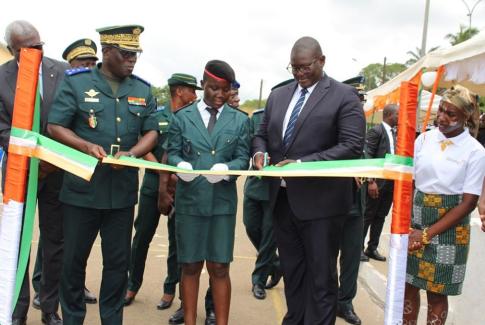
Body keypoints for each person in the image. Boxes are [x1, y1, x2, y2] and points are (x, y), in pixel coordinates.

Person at [47, 25, 158, 324]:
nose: (132, 60)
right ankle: (72, 318)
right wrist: (84, 145)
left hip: (120, 194)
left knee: (117, 264)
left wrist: (133, 154)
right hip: (81, 190)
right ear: (106, 52)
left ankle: (112, 319)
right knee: (73, 263)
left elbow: (152, 131)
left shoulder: (142, 89)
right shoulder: (77, 83)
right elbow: (55, 125)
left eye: (135, 54)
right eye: (125, 54)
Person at [253, 36, 365, 324]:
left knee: (321, 278)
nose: (299, 74)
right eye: (294, 68)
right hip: (283, 202)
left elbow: (351, 145)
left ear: (321, 61)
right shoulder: (278, 96)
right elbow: (261, 135)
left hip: (322, 206)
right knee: (293, 272)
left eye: (305, 68)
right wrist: (260, 154)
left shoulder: (344, 96)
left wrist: (302, 164)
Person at [166, 60, 250, 325]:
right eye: (213, 88)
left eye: (225, 90)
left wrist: (228, 168)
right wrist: (178, 166)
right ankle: (189, 320)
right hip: (190, 202)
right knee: (190, 265)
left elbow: (243, 158)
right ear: (202, 85)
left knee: (219, 267)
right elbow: (173, 152)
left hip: (221, 205)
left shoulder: (239, 121)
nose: (219, 95)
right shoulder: (182, 117)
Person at [0, 20, 69, 325]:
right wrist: (30, 155)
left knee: (55, 243)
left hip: (55, 172)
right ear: (13, 50)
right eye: (28, 48)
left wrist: (50, 159)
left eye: (39, 46)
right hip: (18, 174)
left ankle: (50, 308)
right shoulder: (1, 78)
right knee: (17, 244)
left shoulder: (64, 71)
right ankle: (18, 309)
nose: (36, 52)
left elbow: (70, 119)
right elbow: (2, 127)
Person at [404, 85, 485, 324]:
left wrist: (426, 234)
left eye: (451, 114)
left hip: (451, 227)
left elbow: (469, 202)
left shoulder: (475, 151)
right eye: (441, 110)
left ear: (466, 118)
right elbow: (411, 181)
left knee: (437, 293)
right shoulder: (424, 140)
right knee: (409, 285)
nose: (442, 117)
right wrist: (408, 225)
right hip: (416, 220)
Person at [32, 37, 100, 312]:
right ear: (68, 64)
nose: (87, 68)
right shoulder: (59, 86)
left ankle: (72, 283)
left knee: (69, 235)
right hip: (48, 167)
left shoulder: (94, 91)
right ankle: (42, 285)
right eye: (82, 63)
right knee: (53, 234)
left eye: (92, 63)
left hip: (75, 172)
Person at [123, 73, 200, 311]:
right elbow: (144, 145)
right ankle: (132, 285)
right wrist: (162, 173)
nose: (195, 95)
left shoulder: (192, 118)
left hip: (181, 189)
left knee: (177, 243)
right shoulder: (156, 116)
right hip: (152, 186)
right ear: (179, 91)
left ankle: (169, 290)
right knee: (141, 237)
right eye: (191, 90)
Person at [361, 103, 399, 262]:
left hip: (390, 183)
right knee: (367, 216)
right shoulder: (376, 131)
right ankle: (358, 248)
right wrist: (371, 181)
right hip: (376, 183)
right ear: (390, 115)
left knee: (380, 216)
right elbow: (368, 156)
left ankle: (372, 248)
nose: (401, 117)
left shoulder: (396, 134)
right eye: (399, 114)